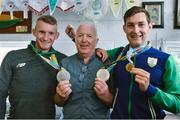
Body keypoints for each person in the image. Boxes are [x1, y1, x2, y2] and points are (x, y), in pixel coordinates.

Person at [99, 6, 180, 119]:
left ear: (150, 26)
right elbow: (92, 53)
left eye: (141, 24)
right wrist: (77, 38)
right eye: (130, 25)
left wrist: (150, 89)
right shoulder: (117, 54)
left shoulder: (166, 60)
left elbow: (177, 104)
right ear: (124, 28)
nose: (136, 30)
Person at [0, 15, 67, 119]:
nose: (45, 38)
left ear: (57, 35)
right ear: (34, 31)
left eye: (51, 33)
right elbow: (0, 93)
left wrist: (99, 52)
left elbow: (61, 101)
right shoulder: (13, 57)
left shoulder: (63, 61)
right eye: (41, 32)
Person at [54, 23, 113, 119]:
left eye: (89, 36)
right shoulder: (64, 64)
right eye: (80, 35)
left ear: (96, 41)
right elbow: (57, 102)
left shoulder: (107, 65)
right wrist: (61, 96)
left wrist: (105, 95)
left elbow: (114, 103)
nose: (84, 39)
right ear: (75, 39)